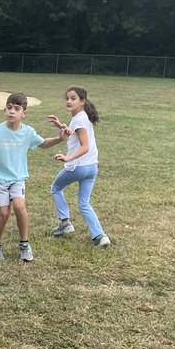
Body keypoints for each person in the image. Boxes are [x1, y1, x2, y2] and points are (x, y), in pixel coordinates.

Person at [0, 92, 67, 261]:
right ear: (5, 110)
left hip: (18, 178)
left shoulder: (28, 132)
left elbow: (43, 143)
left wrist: (59, 139)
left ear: (24, 113)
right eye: (9, 108)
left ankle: (24, 244)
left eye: (17, 109)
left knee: (19, 207)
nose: (12, 111)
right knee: (3, 214)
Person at [47, 85, 111, 248]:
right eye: (67, 98)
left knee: (56, 187)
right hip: (92, 168)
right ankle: (100, 236)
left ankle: (65, 223)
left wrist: (68, 157)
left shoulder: (80, 119)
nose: (69, 101)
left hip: (79, 167)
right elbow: (73, 133)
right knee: (84, 203)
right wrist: (61, 125)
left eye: (73, 98)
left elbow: (85, 146)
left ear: (82, 101)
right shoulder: (82, 117)